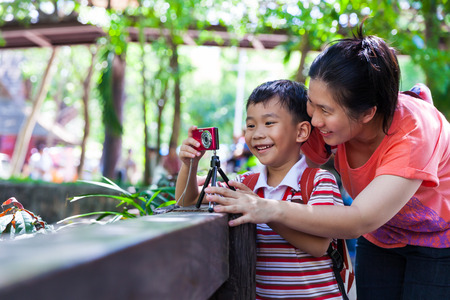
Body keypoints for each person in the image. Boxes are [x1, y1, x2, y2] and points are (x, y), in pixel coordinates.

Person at [205, 22, 450, 300]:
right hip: (382, 236)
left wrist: (267, 207)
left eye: (325, 110)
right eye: (312, 103)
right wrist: (209, 182)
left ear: (368, 113)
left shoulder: (414, 132)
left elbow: (359, 218)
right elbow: (283, 153)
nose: (314, 119)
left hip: (439, 239)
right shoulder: (324, 123)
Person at [176, 80, 345, 299]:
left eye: (269, 123)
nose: (256, 134)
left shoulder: (319, 181)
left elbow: (319, 245)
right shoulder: (246, 183)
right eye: (251, 125)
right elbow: (187, 201)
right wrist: (190, 164)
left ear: (301, 131)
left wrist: (263, 210)